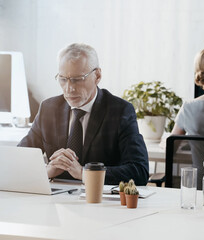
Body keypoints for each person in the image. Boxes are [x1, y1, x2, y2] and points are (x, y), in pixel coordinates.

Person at [18, 43, 149, 185]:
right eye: (63, 79)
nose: (69, 89)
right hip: (55, 200)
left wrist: (84, 173)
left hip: (99, 202)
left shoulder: (120, 111)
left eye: (77, 80)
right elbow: (18, 160)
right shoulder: (49, 108)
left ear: (97, 76)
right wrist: (46, 171)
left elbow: (139, 171)